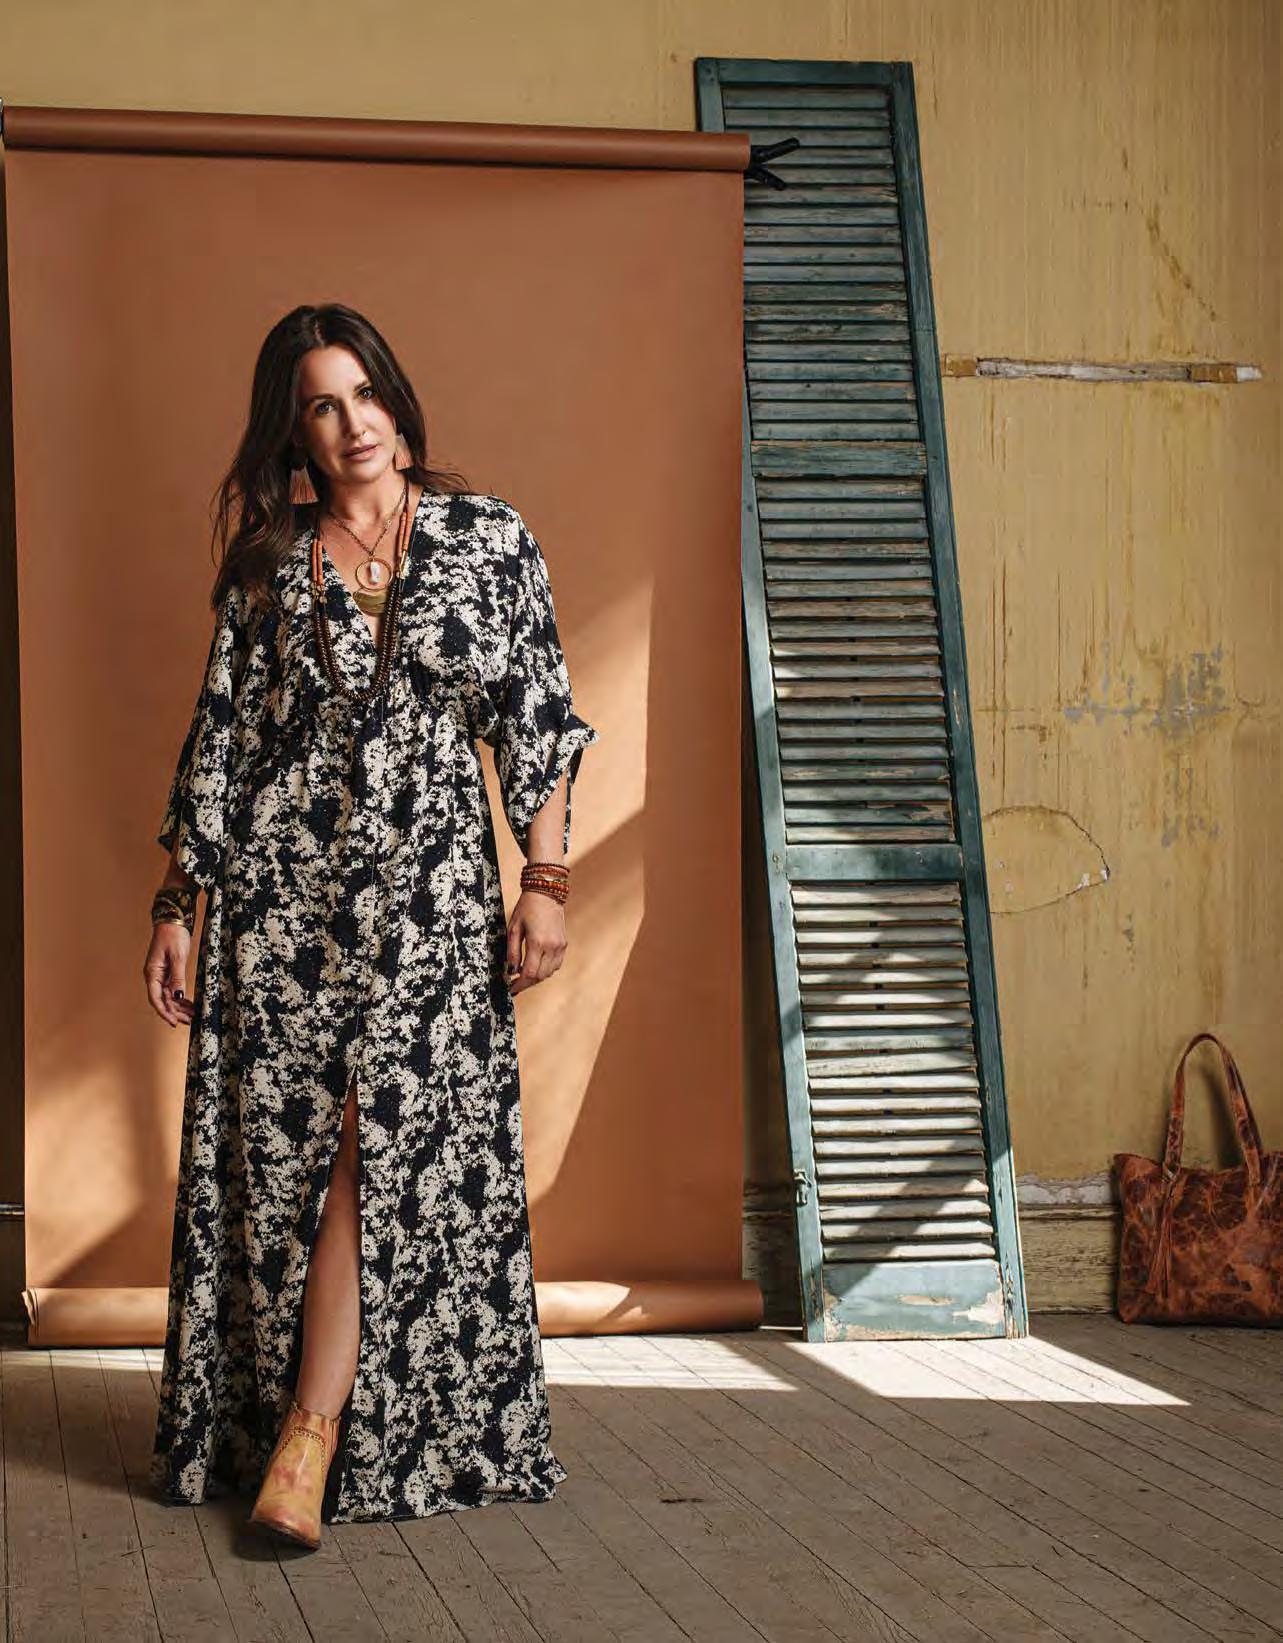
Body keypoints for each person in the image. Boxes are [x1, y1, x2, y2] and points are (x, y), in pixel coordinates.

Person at [142, 302, 598, 1548]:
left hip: (433, 904)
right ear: (293, 432)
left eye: (366, 392)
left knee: (377, 1143)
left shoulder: (487, 539)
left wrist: (544, 879)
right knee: (290, 1167)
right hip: (284, 910)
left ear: (396, 395)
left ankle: (310, 1433)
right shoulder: (267, 564)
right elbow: (221, 744)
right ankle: (305, 1425)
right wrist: (179, 904)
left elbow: (537, 717)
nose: (353, 423)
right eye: (321, 406)